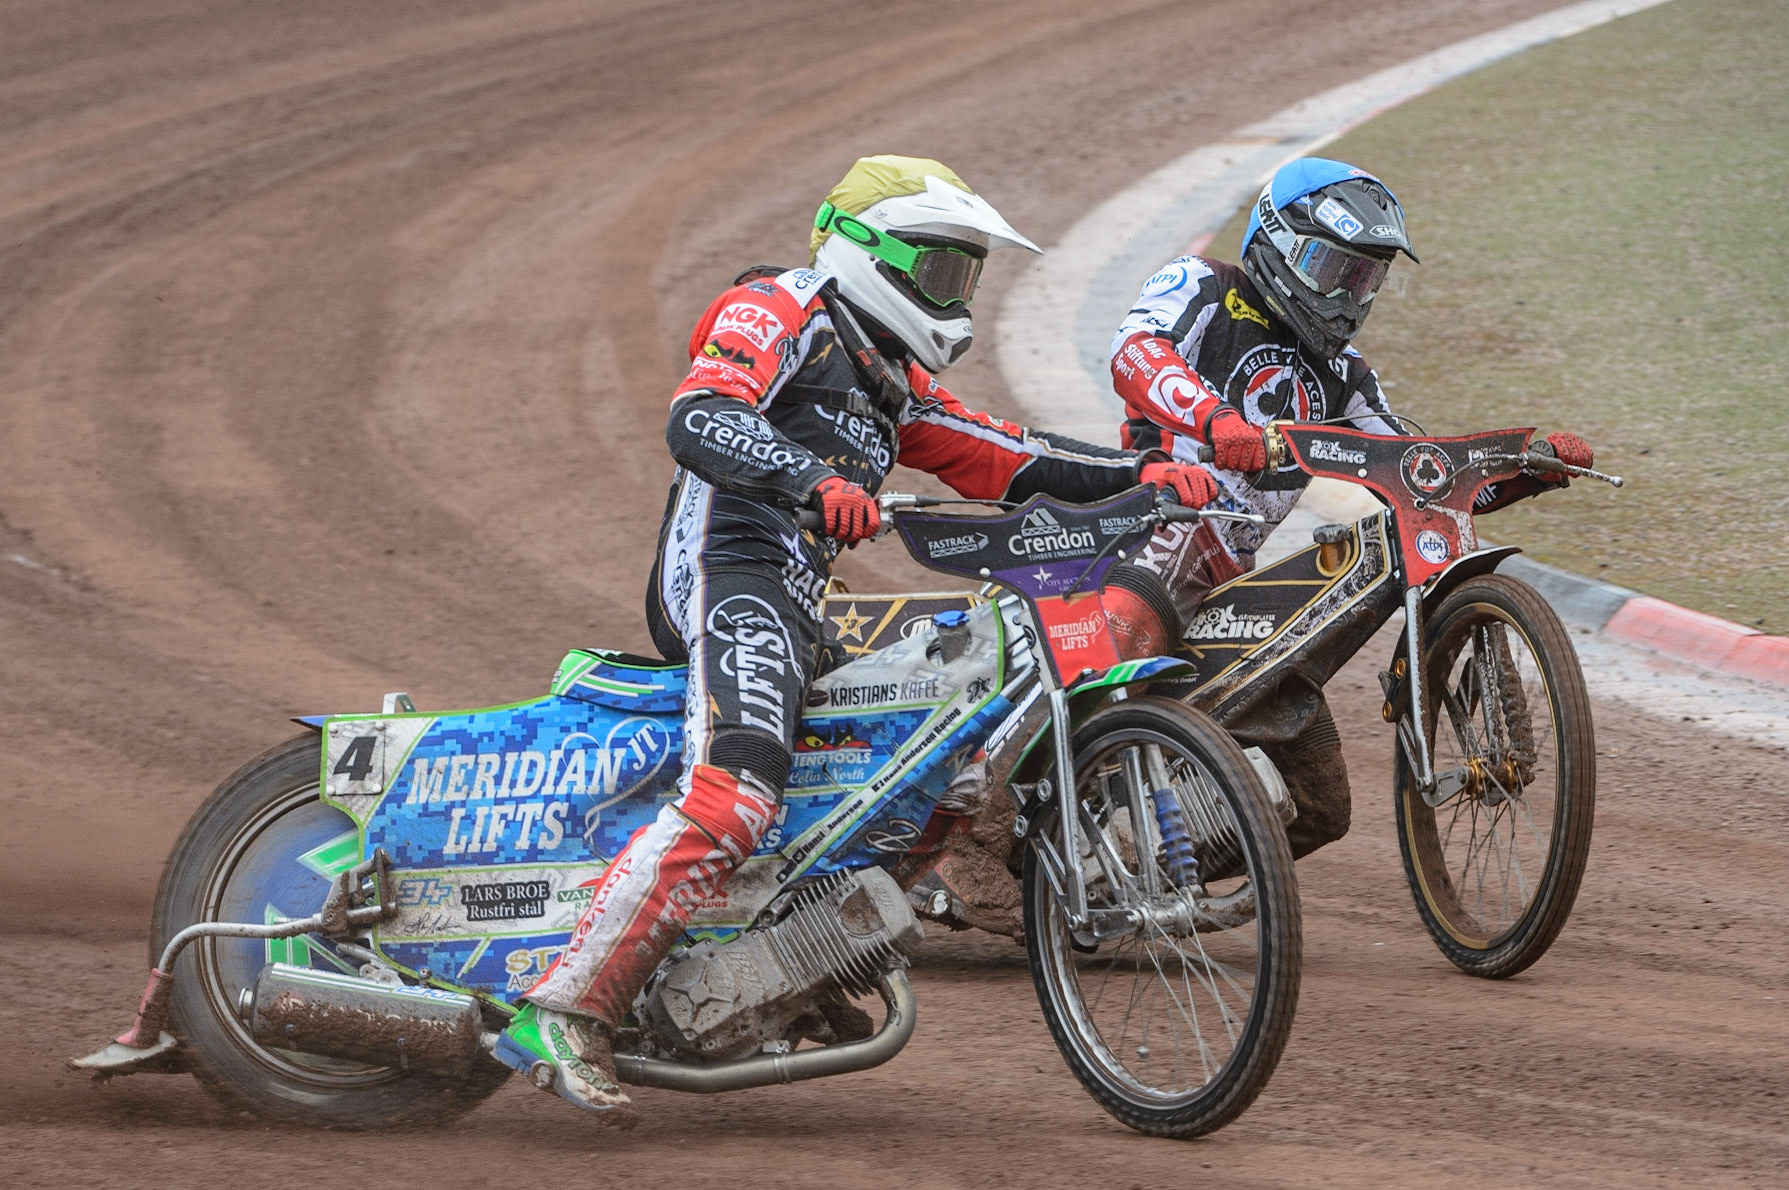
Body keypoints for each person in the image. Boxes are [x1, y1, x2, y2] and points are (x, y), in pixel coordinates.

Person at [493, 155, 1217, 1119]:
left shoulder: (891, 380)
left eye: (965, 273)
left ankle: (788, 965)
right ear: (865, 249)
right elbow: (702, 415)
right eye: (939, 267)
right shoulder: (780, 307)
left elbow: (1010, 459)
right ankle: (565, 1010)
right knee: (740, 795)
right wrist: (809, 484)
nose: (952, 293)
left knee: (917, 775)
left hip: (795, 605)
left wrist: (1143, 479)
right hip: (726, 575)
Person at [1105, 156, 1595, 861]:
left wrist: (1528, 469)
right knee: (1152, 594)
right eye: (1332, 268)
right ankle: (991, 814)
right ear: (1277, 242)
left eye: (1363, 278)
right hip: (1150, 528)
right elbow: (1132, 351)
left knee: (1320, 810)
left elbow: (1419, 475)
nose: (1345, 295)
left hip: (1234, 582)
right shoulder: (1202, 285)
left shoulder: (1347, 376)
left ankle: (1132, 875)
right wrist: (1217, 422)